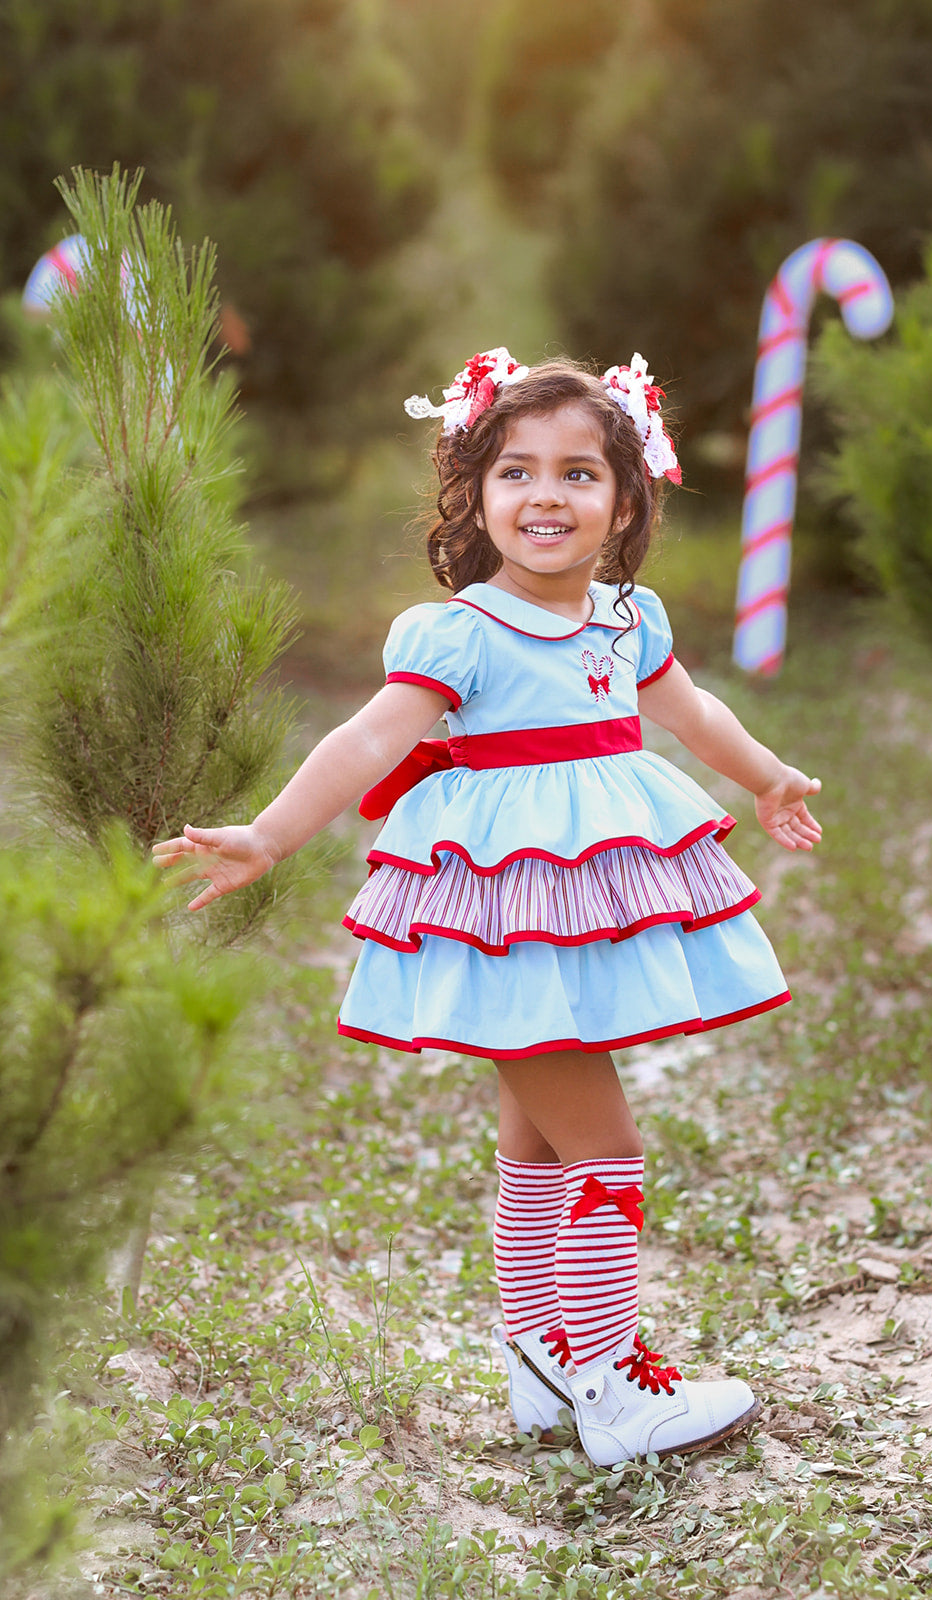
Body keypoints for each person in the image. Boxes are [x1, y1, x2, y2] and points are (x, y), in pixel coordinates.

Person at [154, 349, 821, 1468]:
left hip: (591, 905)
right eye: (516, 472)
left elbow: (692, 712)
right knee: (602, 1142)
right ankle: (612, 1384)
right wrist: (269, 834)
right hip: (506, 916)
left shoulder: (625, 619)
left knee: (537, 1143)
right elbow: (369, 738)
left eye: (577, 474)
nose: (545, 496)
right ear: (476, 494)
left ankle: (540, 1357)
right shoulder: (460, 631)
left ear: (625, 499)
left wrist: (762, 776)